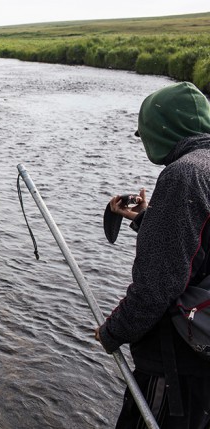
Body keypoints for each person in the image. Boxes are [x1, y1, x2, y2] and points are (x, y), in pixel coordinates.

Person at [95, 82, 210, 428]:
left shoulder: (183, 175)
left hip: (176, 365)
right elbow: (199, 248)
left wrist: (113, 330)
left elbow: (158, 284)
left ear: (163, 129)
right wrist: (148, 217)